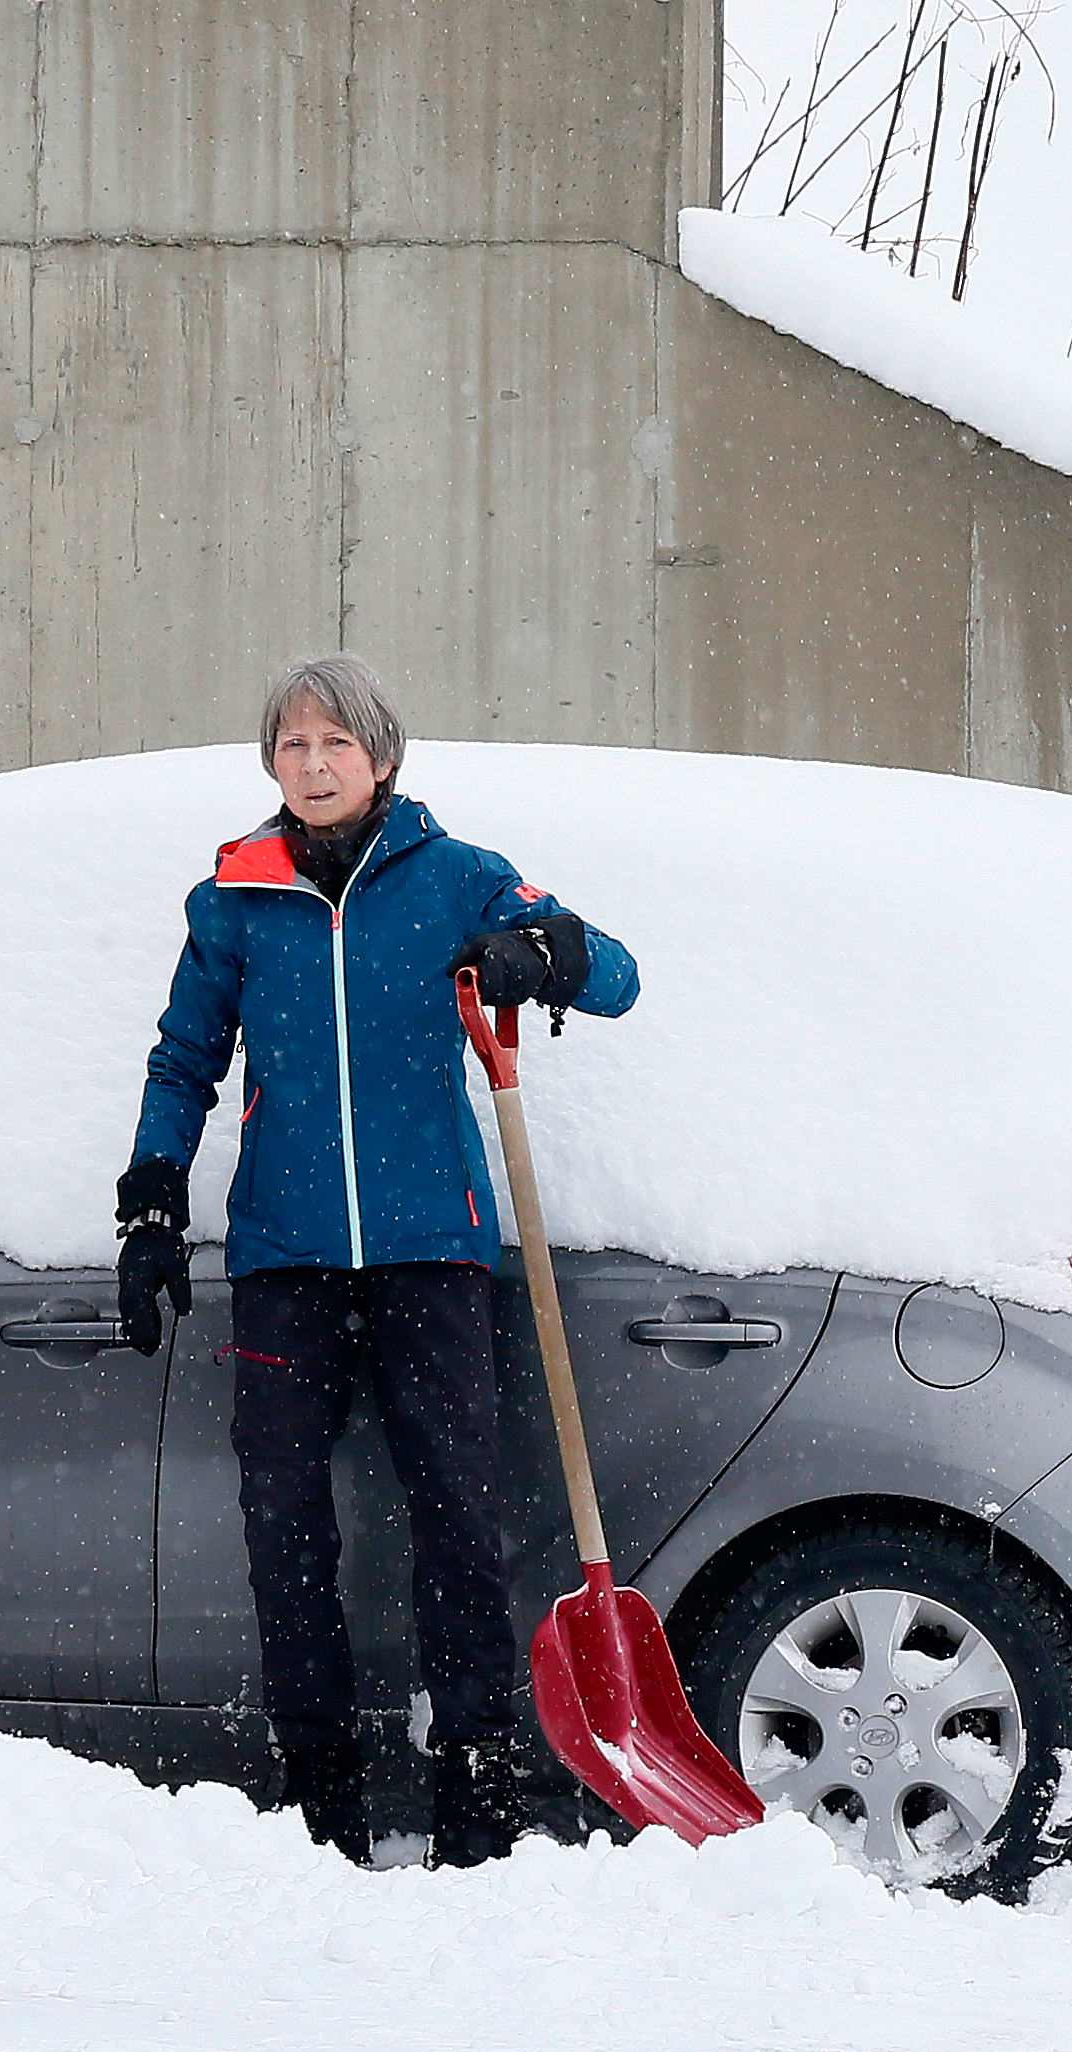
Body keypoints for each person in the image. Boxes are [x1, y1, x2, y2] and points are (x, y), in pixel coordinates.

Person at [114, 657, 638, 1868]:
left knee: (458, 1522)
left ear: (382, 759)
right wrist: (152, 1200)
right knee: (283, 1529)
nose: (312, 765)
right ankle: (320, 1802)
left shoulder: (457, 877)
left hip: (429, 1254)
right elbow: (184, 1059)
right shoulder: (235, 898)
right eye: (292, 746)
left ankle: (478, 1794)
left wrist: (544, 954)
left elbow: (616, 974)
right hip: (284, 1261)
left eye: (334, 744)